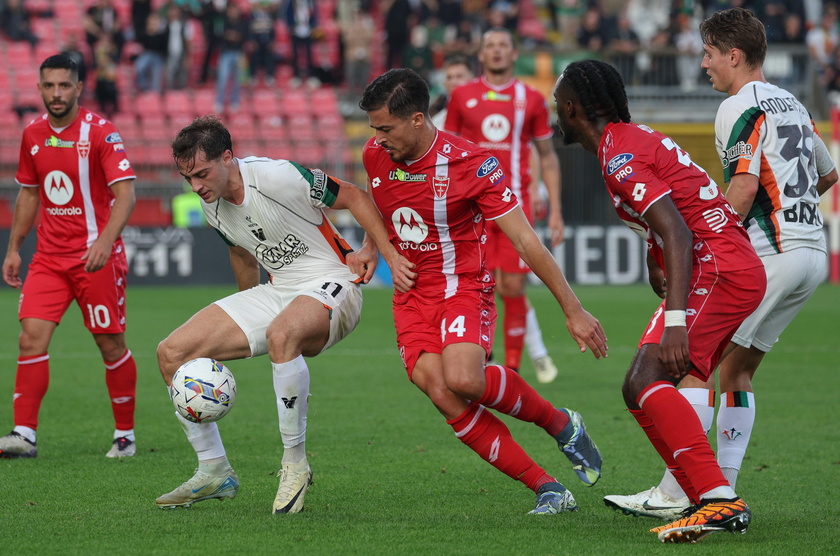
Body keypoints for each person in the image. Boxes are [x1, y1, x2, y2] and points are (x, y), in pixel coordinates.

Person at [604, 6, 839, 521]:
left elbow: (743, 186)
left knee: (692, 362)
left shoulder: (739, 106)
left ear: (734, 56)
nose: (703, 63)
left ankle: (681, 493)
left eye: (709, 54)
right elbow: (827, 172)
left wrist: (715, 239)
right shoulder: (792, 103)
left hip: (769, 253)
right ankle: (719, 489)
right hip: (810, 253)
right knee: (737, 370)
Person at [359, 68, 606, 515]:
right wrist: (372, 251)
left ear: (417, 119)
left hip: (462, 286)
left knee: (465, 379)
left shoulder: (471, 164)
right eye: (374, 128)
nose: (377, 138)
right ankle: (547, 487)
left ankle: (560, 423)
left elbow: (526, 241)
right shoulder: (376, 155)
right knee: (440, 390)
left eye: (385, 128)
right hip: (411, 296)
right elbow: (379, 207)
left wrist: (574, 309)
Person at [553, 59, 767, 543]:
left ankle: (717, 498)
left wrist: (675, 320)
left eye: (557, 105)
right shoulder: (627, 141)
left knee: (650, 375)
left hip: (720, 267)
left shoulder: (619, 154)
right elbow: (670, 217)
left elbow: (677, 230)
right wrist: (657, 262)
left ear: (572, 108)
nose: (555, 116)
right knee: (637, 386)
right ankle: (700, 496)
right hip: (724, 265)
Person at [154, 115, 413, 513]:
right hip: (278, 291)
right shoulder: (212, 207)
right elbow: (241, 254)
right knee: (171, 353)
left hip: (335, 282)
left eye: (202, 174)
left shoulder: (277, 177)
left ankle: (295, 465)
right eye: (188, 178)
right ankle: (213, 469)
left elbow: (357, 197)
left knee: (282, 334)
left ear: (227, 158)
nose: (197, 187)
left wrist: (380, 253)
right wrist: (245, 318)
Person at [0, 54, 138, 459]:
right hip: (49, 259)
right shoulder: (32, 134)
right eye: (49, 86)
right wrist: (13, 248)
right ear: (40, 88)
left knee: (110, 344)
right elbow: (29, 192)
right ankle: (23, 434)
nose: (56, 94)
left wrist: (104, 242)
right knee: (30, 339)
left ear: (79, 88)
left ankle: (125, 436)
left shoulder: (101, 133)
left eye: (64, 85)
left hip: (96, 258)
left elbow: (125, 194)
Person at [444, 28, 563, 383]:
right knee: (478, 285)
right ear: (480, 55)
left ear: (514, 54)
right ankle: (484, 356)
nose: (496, 51)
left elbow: (548, 156)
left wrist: (555, 208)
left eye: (502, 46)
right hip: (472, 206)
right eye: (489, 45)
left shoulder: (532, 98)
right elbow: (448, 149)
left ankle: (511, 370)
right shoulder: (462, 96)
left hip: (515, 206)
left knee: (513, 287)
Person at [429, 55, 473, 129]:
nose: (453, 82)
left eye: (459, 76)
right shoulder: (437, 122)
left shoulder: (485, 111)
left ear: (472, 79)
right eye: (449, 77)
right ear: (445, 83)